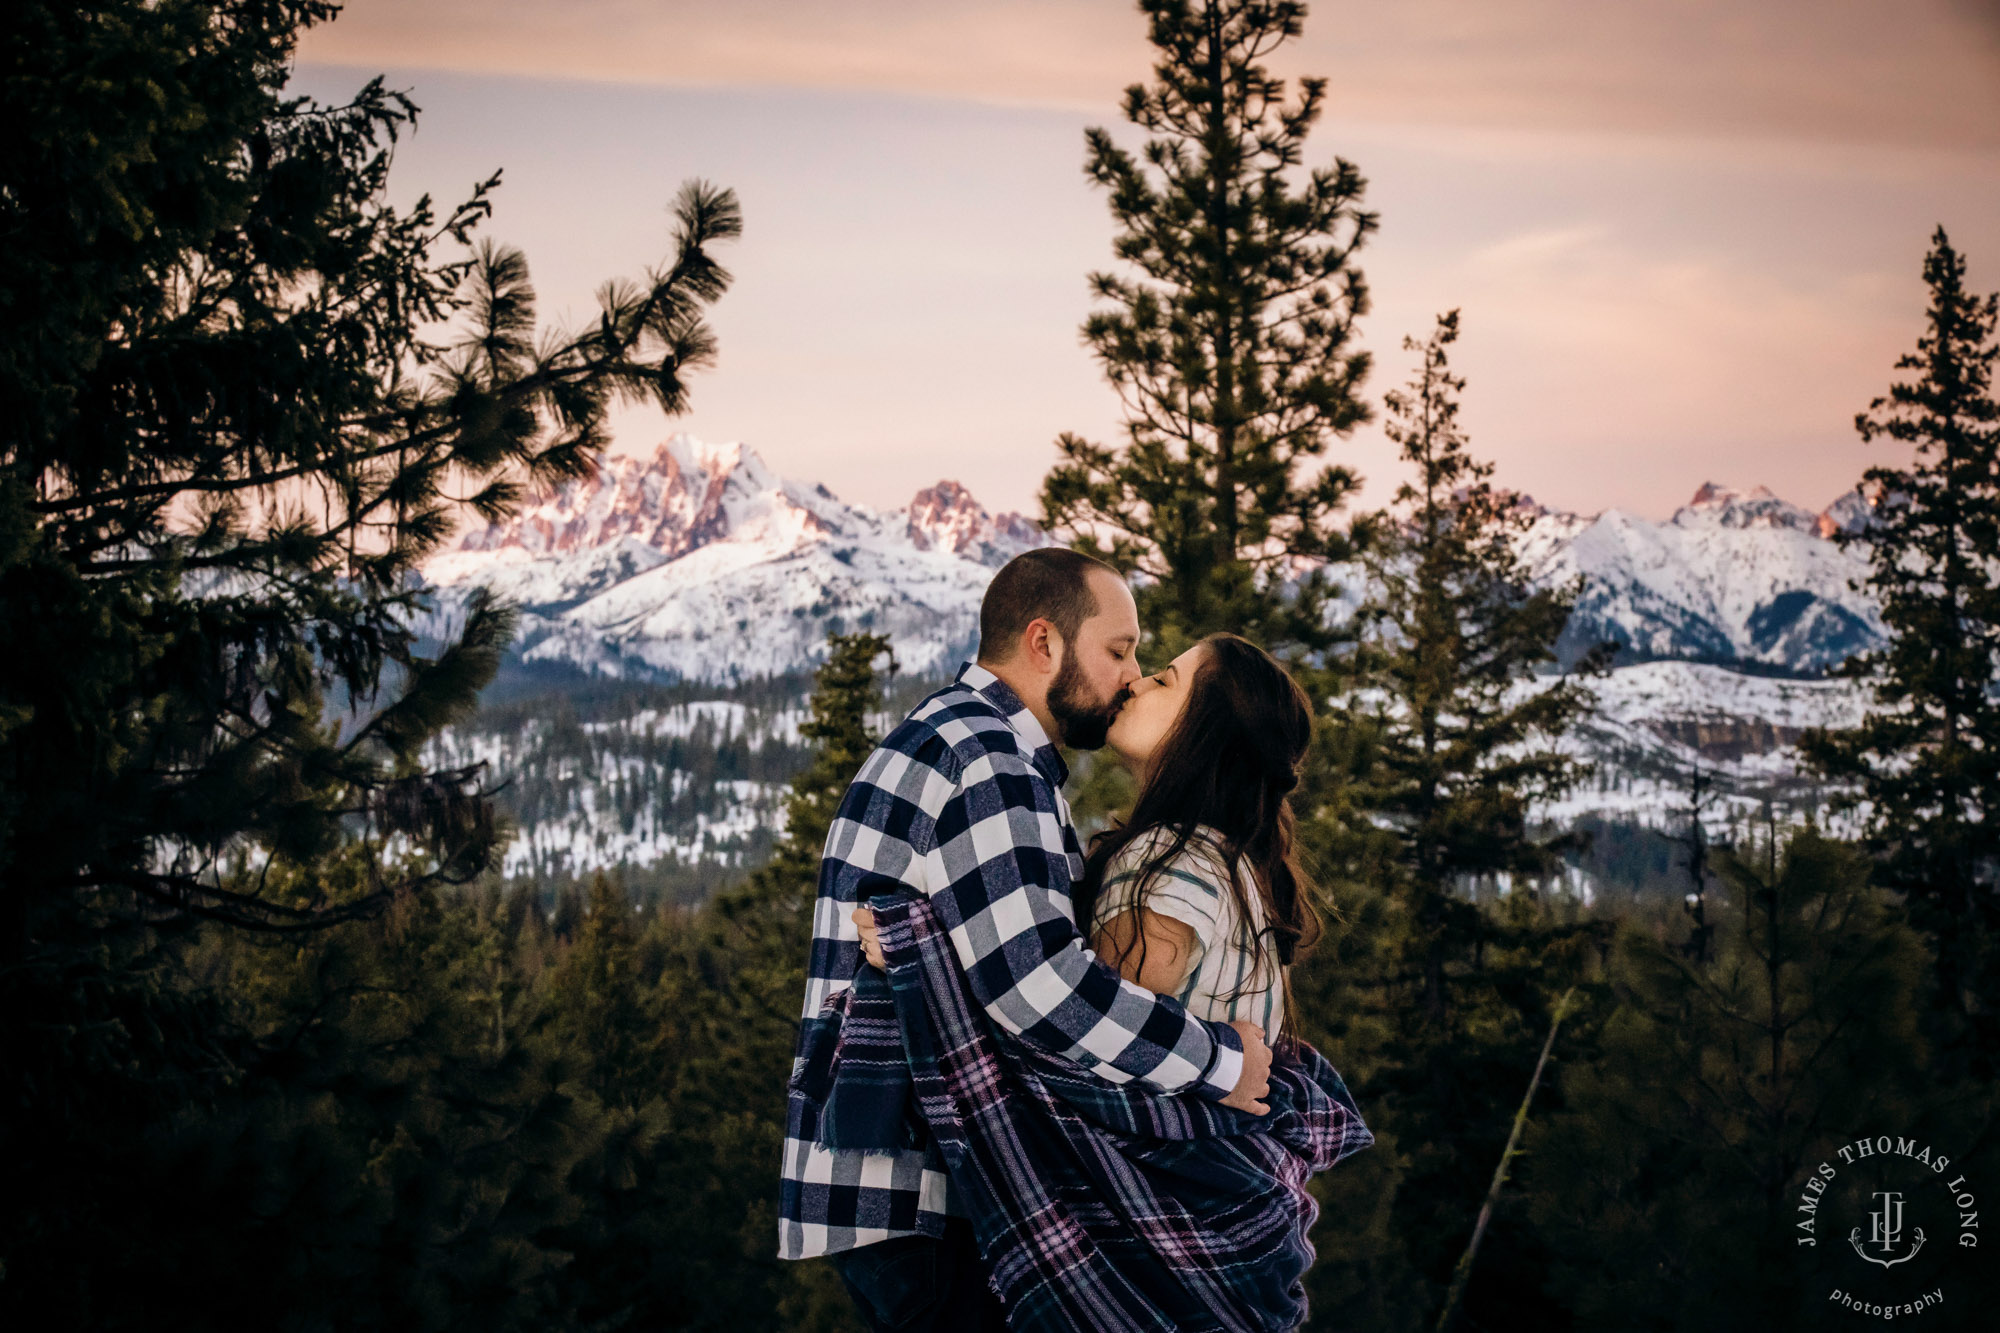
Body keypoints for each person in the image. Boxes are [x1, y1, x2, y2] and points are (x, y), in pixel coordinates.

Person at [777, 548, 1275, 1333]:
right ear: (1044, 643)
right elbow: (1037, 985)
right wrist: (1218, 1058)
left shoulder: (952, 737)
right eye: (1118, 650)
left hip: (895, 1183)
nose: (1130, 676)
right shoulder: (987, 757)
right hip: (932, 1190)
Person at [850, 630, 1371, 1331]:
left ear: (1203, 730)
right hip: (1217, 1234)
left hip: (1157, 1236)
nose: (1135, 682)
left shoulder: (1168, 861)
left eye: (1164, 680)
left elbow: (1084, 1052)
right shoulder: (1236, 867)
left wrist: (924, 954)